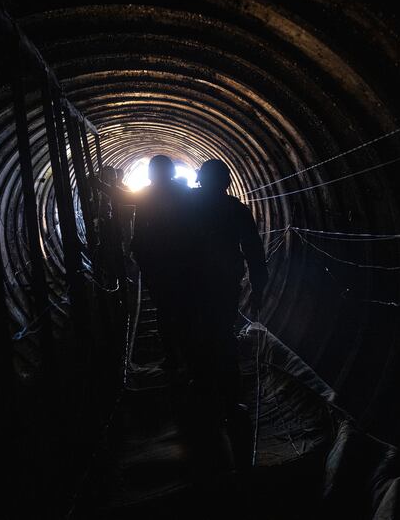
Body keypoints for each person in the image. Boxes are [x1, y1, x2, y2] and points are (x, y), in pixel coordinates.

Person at [185, 158, 268, 476]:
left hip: (191, 284)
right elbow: (253, 249)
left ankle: (202, 389)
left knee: (198, 333)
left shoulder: (187, 205)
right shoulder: (236, 209)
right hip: (222, 283)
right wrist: (259, 287)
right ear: (227, 181)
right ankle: (229, 397)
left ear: (202, 180)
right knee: (221, 333)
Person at [93, 155, 193, 373]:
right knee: (185, 308)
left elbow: (121, 196)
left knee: (165, 310)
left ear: (152, 173)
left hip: (157, 261)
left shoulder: (150, 192)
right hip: (182, 261)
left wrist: (98, 184)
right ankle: (190, 357)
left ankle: (173, 359)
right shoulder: (185, 192)